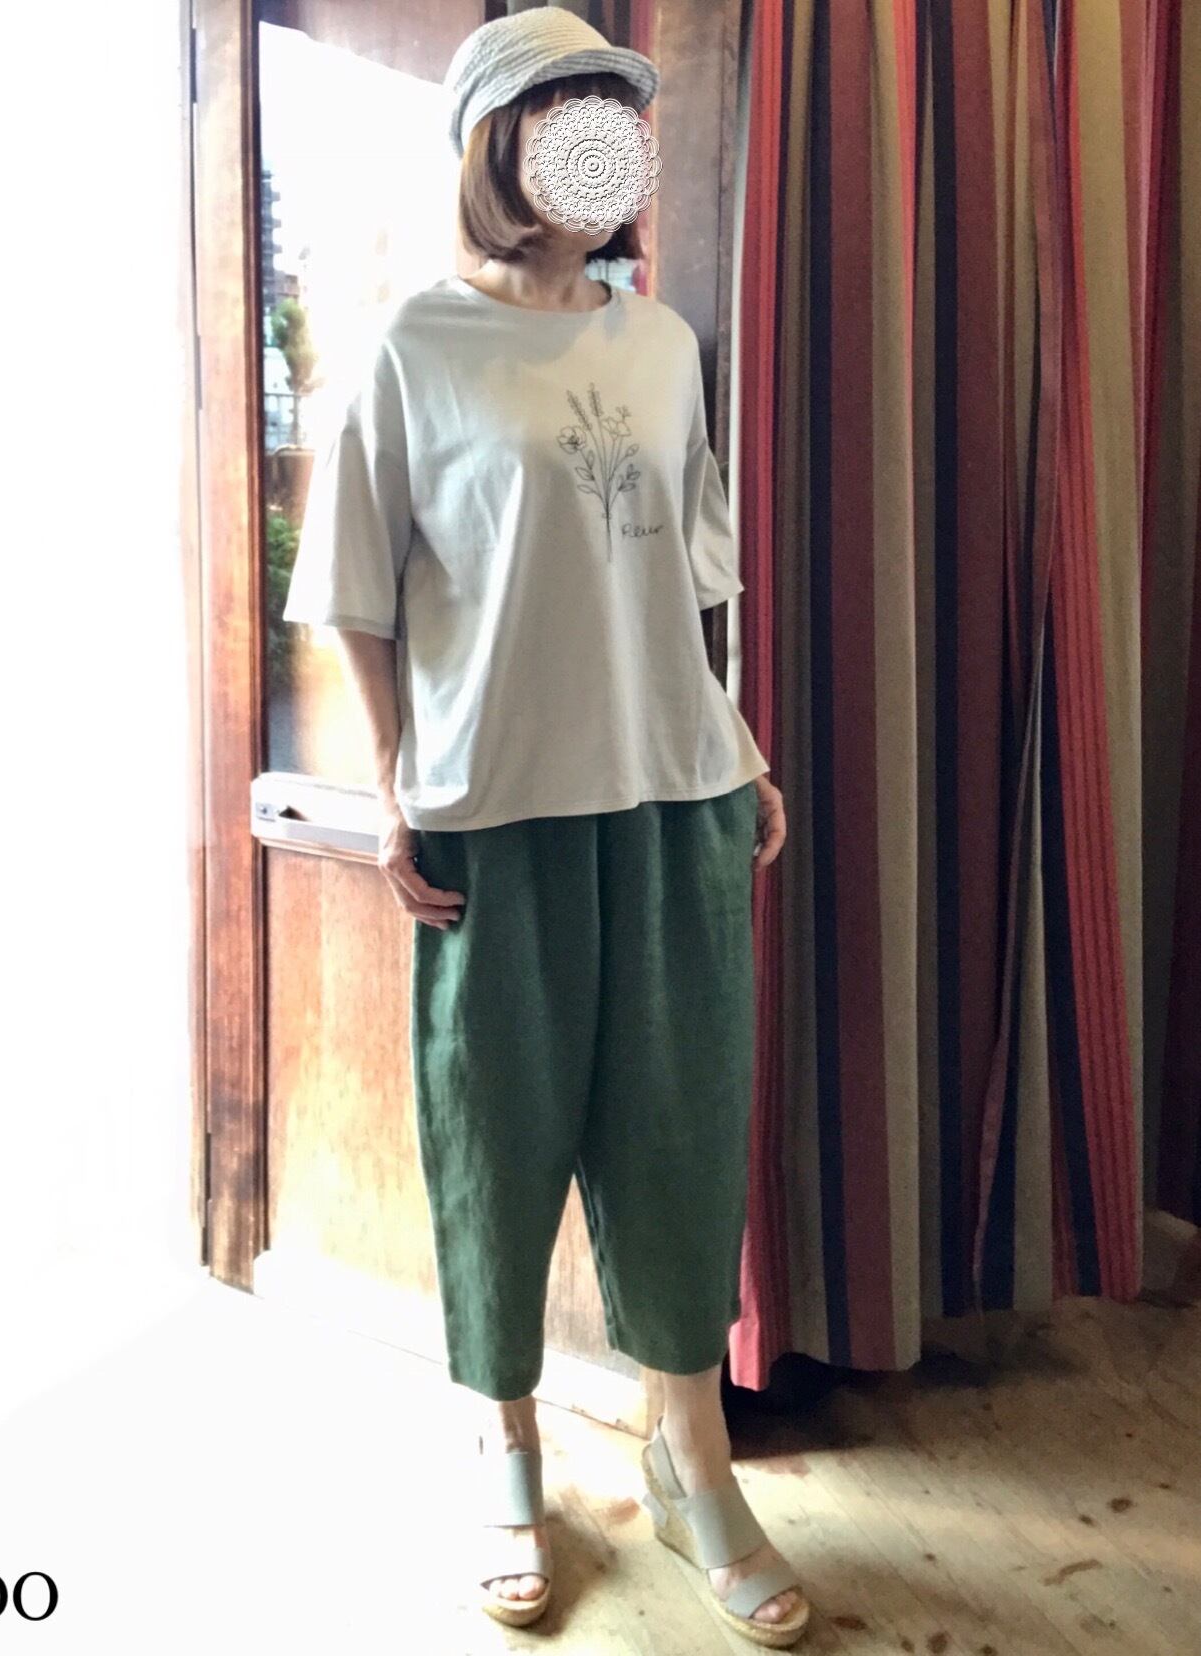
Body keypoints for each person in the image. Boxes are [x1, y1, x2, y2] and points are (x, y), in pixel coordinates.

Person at [281, 8, 807, 1645]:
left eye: (612, 115)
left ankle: (692, 1461)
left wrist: (740, 752)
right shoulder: (415, 346)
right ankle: (502, 1452)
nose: (597, 142)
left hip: (671, 797)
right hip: (496, 809)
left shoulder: (661, 346)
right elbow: (355, 598)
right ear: (496, 146)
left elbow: (694, 586)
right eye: (562, 111)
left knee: (679, 1139)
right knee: (494, 1149)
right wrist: (391, 789)